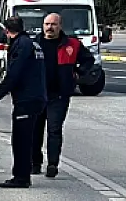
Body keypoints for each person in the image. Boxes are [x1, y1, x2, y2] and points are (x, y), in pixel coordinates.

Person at [33, 11, 93, 178]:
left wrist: (78, 73)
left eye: (53, 24)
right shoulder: (34, 44)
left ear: (60, 26)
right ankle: (35, 163)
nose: (49, 27)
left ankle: (52, 164)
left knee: (54, 129)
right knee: (35, 130)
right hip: (37, 94)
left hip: (59, 95)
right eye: (47, 24)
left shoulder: (72, 44)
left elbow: (89, 60)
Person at [0, 16, 46, 188]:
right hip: (37, 96)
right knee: (27, 138)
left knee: (21, 140)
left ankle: (21, 177)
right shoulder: (32, 43)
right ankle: (24, 173)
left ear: (8, 31)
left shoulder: (21, 46)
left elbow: (14, 75)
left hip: (26, 99)